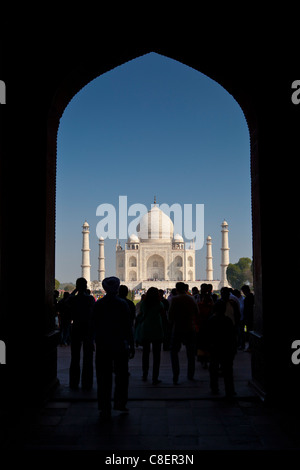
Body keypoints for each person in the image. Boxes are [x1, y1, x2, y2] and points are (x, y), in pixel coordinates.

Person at [92, 276, 134, 419]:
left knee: (103, 376)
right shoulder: (122, 304)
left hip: (103, 344)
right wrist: (131, 344)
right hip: (119, 344)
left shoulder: (99, 304)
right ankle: (120, 403)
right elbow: (128, 327)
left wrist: (94, 341)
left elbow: (94, 325)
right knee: (122, 376)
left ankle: (104, 407)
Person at [67, 278, 95, 390]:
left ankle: (73, 382)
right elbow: (93, 316)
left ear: (78, 286)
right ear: (86, 286)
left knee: (75, 357)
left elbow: (66, 301)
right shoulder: (90, 299)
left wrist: (75, 291)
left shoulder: (73, 300)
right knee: (88, 358)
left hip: (76, 328)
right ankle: (87, 383)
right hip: (87, 329)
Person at [168, 281, 199, 384]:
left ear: (176, 289)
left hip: (178, 328)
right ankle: (191, 375)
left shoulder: (175, 299)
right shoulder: (191, 299)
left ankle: (175, 376)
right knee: (190, 353)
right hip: (190, 327)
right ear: (186, 289)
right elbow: (197, 313)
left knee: (174, 352)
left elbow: (170, 316)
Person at [206, 299, 237, 400]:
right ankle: (230, 390)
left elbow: (207, 336)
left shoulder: (211, 320)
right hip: (226, 348)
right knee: (228, 370)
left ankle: (214, 388)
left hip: (215, 348)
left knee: (213, 369)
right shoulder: (228, 320)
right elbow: (232, 336)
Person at [138, 287, 164, 384]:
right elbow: (163, 315)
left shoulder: (144, 303)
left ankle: (145, 374)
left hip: (146, 329)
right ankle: (155, 377)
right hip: (157, 329)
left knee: (145, 354)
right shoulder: (159, 304)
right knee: (157, 356)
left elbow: (141, 314)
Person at [241, 285, 254, 351]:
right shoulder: (252, 297)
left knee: (249, 332)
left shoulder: (248, 298)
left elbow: (247, 309)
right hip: (251, 318)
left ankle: (250, 347)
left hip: (248, 318)